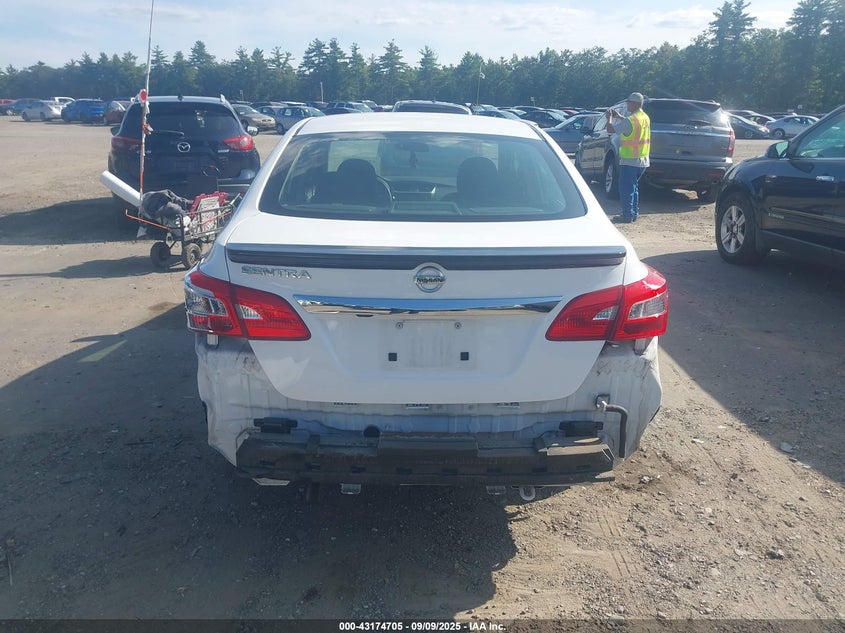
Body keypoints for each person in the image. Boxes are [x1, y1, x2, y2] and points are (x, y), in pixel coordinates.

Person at [606, 92, 651, 222]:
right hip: (642, 160)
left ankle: (626, 215)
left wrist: (609, 118)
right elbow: (630, 126)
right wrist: (620, 117)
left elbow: (610, 130)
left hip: (630, 160)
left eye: (629, 102)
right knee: (634, 187)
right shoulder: (644, 117)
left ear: (635, 103)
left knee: (626, 189)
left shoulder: (630, 120)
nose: (627, 105)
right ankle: (633, 213)